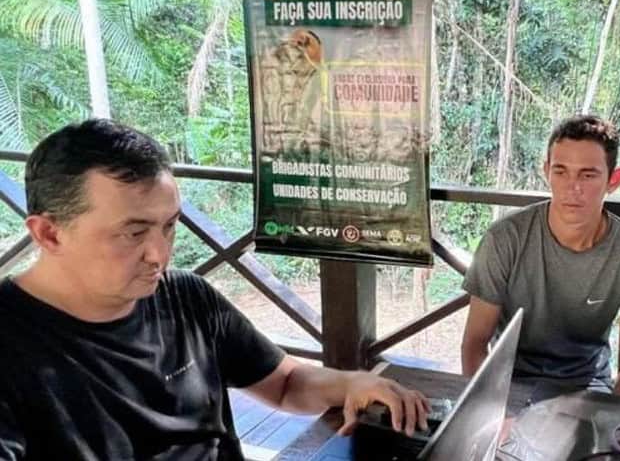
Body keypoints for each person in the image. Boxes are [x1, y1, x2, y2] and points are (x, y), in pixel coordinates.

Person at [0, 119, 428, 461]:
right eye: (133, 233)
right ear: (49, 234)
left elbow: (285, 382)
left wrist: (351, 384)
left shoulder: (186, 297)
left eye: (169, 226)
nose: (158, 254)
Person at [461, 115, 620, 398]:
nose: (572, 187)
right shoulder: (505, 238)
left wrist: (614, 416)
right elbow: (474, 344)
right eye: (561, 171)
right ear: (547, 171)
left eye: (588, 175)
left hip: (588, 386)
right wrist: (489, 409)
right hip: (509, 384)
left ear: (613, 180)